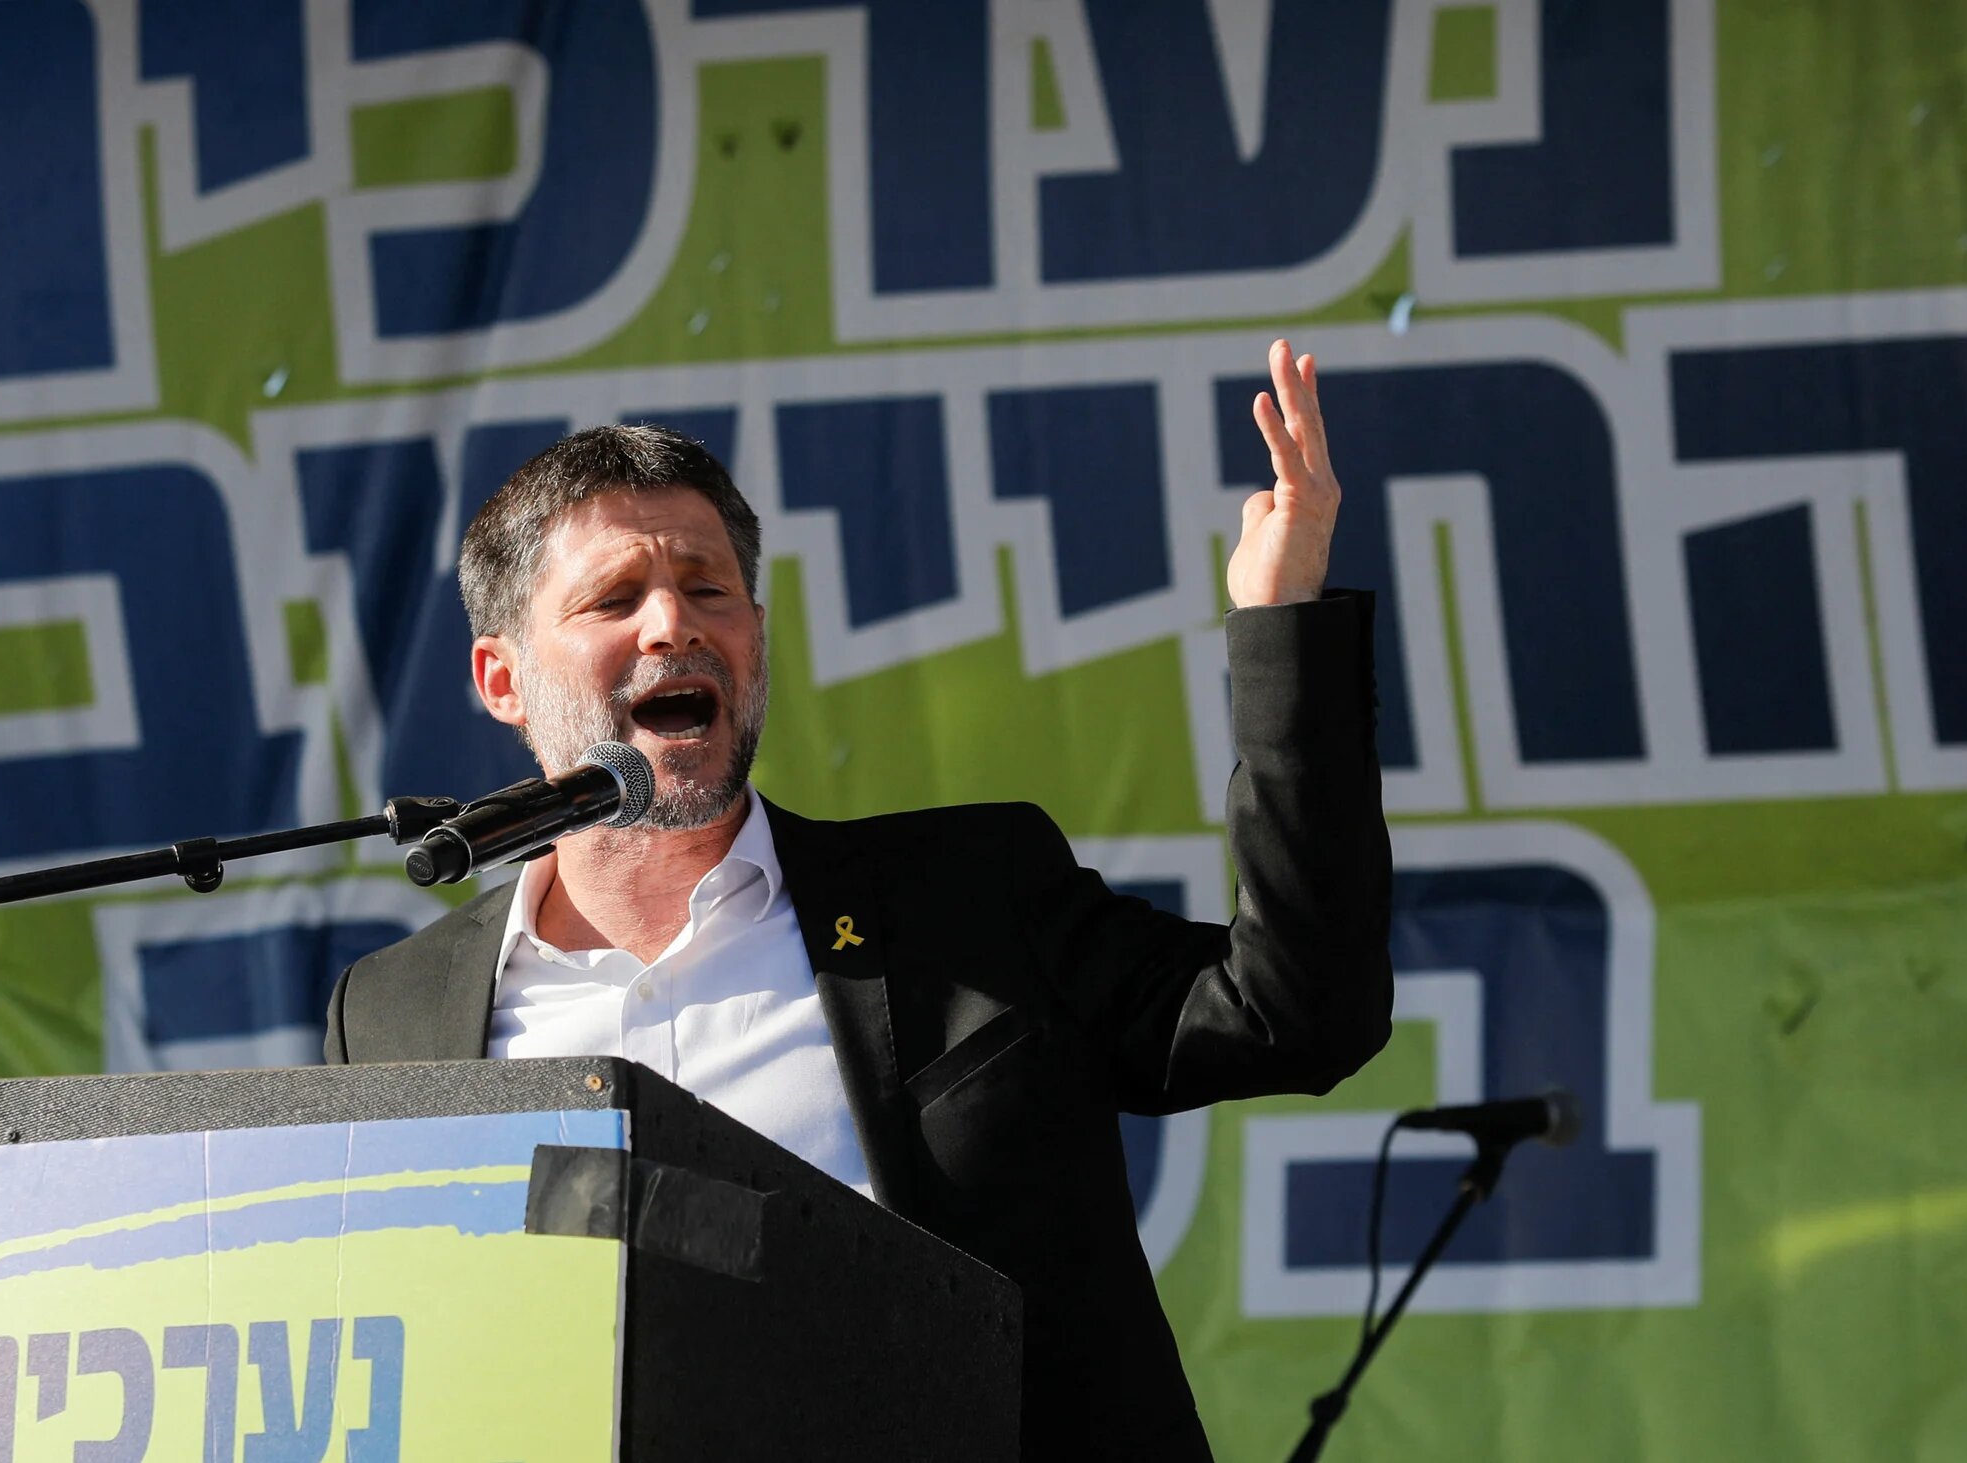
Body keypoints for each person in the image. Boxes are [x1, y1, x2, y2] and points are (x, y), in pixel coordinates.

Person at [323, 340, 1392, 1459]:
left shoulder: (965, 898)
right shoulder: (393, 1012)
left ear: (754, 635)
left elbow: (1295, 1008)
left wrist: (1282, 632)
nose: (671, 626)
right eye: (613, 598)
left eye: (706, 589)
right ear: (502, 679)